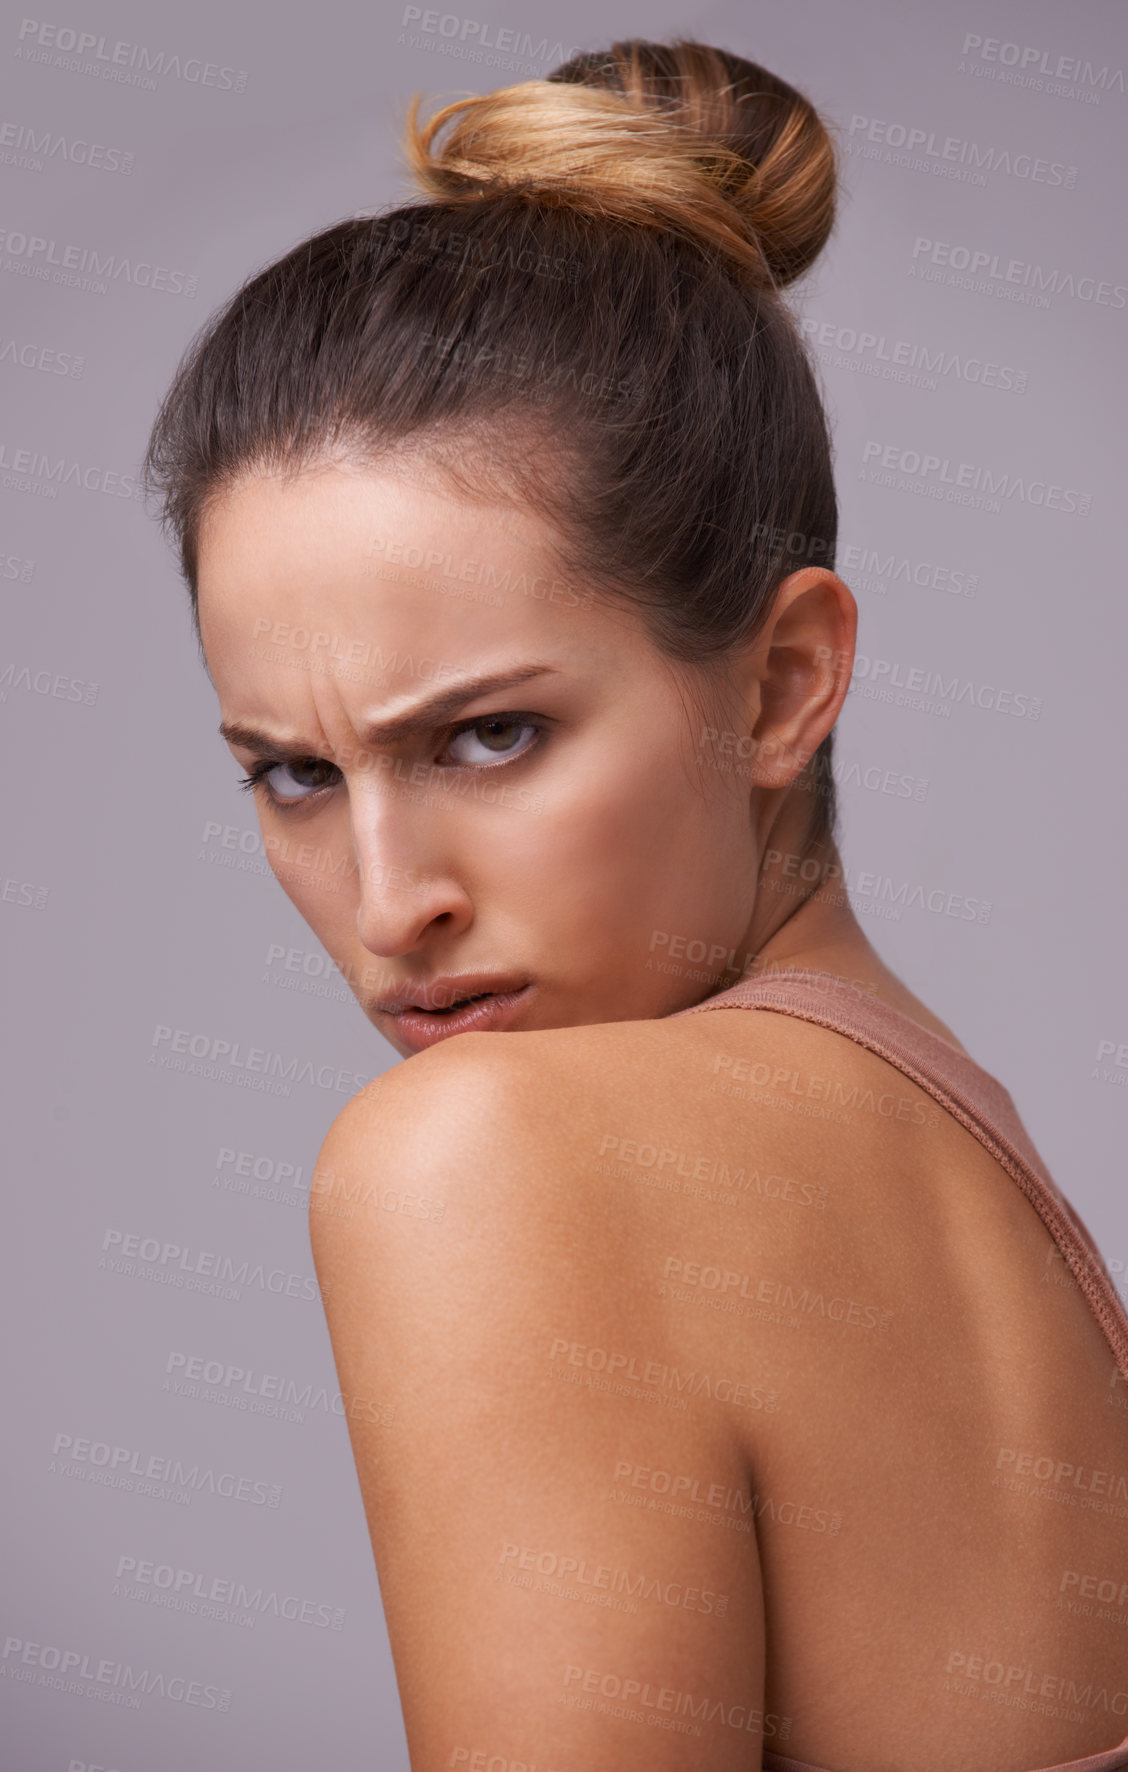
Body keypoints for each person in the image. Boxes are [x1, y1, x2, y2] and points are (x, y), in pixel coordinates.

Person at [143, 36, 1128, 1772]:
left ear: (780, 682)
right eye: (294, 773)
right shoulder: (971, 1165)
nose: (390, 901)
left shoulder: (489, 1151)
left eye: (490, 734)